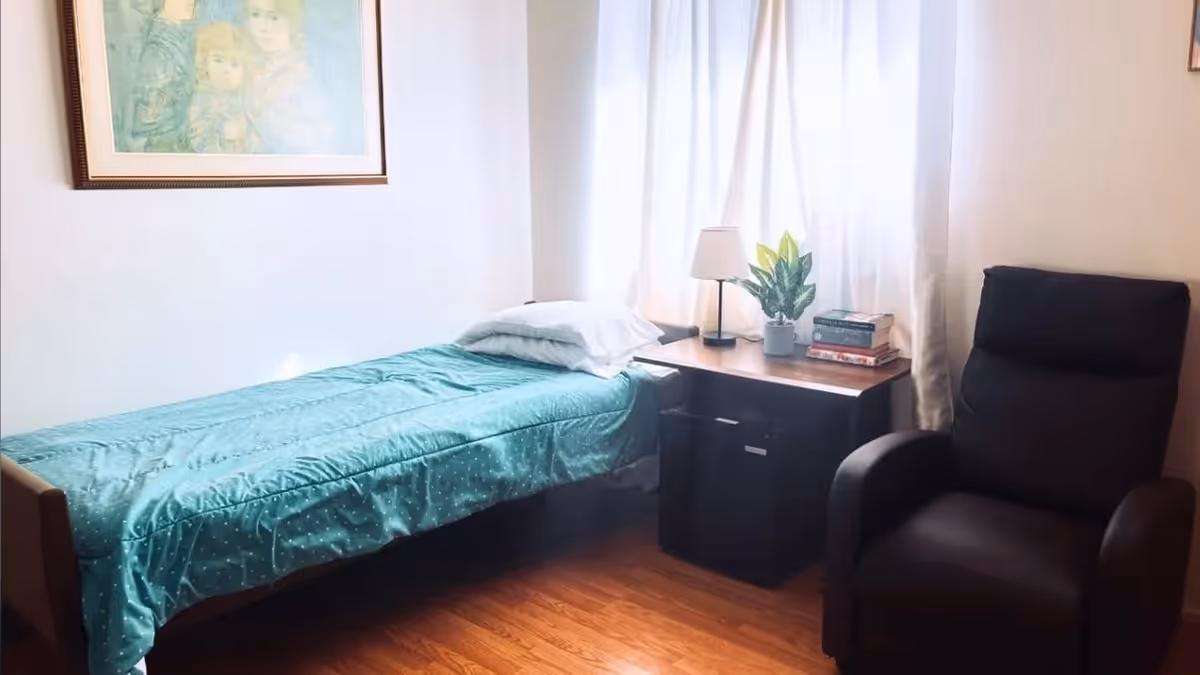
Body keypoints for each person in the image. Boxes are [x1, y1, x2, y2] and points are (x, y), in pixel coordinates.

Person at [242, 0, 333, 154]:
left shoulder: (303, 76)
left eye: (274, 17)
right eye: (255, 15)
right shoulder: (248, 65)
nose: (263, 27)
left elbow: (317, 139)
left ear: (291, 21)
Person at [131, 0, 200, 152]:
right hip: (163, 140)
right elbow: (150, 115)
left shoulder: (185, 34)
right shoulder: (157, 48)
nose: (191, 2)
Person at [187, 22, 252, 153]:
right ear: (205, 62)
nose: (226, 70)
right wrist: (224, 131)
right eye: (218, 60)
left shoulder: (245, 98)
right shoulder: (202, 100)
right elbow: (198, 139)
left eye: (235, 64)